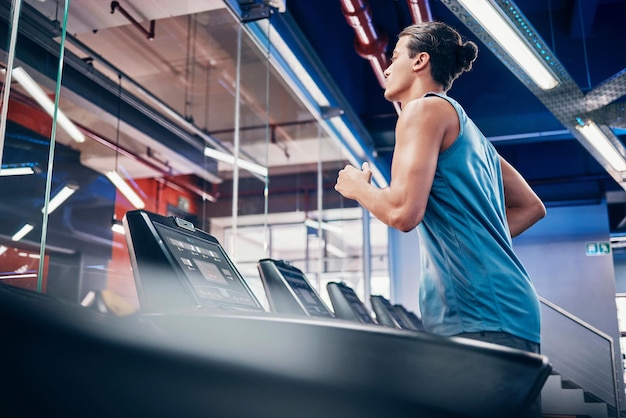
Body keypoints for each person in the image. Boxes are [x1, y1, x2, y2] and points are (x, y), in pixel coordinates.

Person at [334, 21, 546, 417]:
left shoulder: (422, 111)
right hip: (506, 309)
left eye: (394, 57)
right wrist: (476, 243)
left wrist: (357, 188)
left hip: (480, 313)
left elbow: (402, 213)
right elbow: (532, 206)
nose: (386, 66)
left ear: (420, 60)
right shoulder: (471, 133)